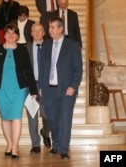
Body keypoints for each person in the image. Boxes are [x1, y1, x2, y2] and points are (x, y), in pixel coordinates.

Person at [0, 23, 37, 159]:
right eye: (8, 33)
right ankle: (9, 143)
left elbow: (28, 70)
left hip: (19, 89)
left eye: (14, 33)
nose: (10, 36)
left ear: (17, 36)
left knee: (16, 116)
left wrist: (33, 90)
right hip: (0, 89)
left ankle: (15, 147)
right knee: (5, 117)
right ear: (4, 35)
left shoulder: (22, 50)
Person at [38, 16, 83, 160]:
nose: (49, 30)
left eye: (52, 27)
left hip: (66, 90)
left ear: (60, 28)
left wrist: (73, 86)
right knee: (52, 119)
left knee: (64, 119)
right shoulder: (45, 45)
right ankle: (56, 145)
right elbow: (43, 68)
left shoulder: (73, 45)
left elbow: (78, 69)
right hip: (49, 89)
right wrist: (41, 86)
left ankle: (63, 148)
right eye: (49, 27)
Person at [25, 23, 51, 154]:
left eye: (39, 31)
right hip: (31, 85)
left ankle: (45, 133)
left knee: (48, 114)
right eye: (34, 31)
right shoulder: (26, 48)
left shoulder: (50, 47)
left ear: (44, 32)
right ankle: (35, 144)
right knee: (32, 115)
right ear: (31, 33)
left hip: (46, 85)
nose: (36, 33)